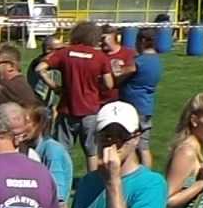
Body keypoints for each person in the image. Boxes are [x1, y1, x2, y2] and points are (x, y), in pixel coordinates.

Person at [66, 102, 165, 208]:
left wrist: (113, 181)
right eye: (106, 135)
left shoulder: (151, 185)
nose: (113, 143)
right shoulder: (88, 182)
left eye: (122, 136)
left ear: (136, 138)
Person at [39, 20, 135, 158]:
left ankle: (63, 172)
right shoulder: (100, 57)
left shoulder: (65, 53)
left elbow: (40, 69)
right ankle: (93, 172)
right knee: (92, 153)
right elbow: (109, 84)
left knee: (62, 151)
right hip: (90, 109)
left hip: (67, 109)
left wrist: (55, 87)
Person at [117, 24, 162, 128]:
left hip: (133, 107)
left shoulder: (139, 61)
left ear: (142, 41)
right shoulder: (157, 60)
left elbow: (119, 74)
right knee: (144, 136)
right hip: (147, 106)